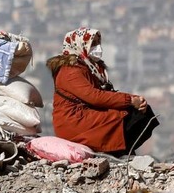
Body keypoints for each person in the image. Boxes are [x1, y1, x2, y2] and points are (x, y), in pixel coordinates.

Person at [47, 27, 159, 157]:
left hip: (84, 114)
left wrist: (133, 99)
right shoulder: (70, 71)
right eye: (92, 44)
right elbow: (94, 96)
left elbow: (104, 93)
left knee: (143, 112)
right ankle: (117, 151)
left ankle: (121, 150)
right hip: (74, 120)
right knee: (125, 117)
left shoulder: (89, 67)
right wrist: (129, 101)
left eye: (98, 43)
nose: (97, 47)